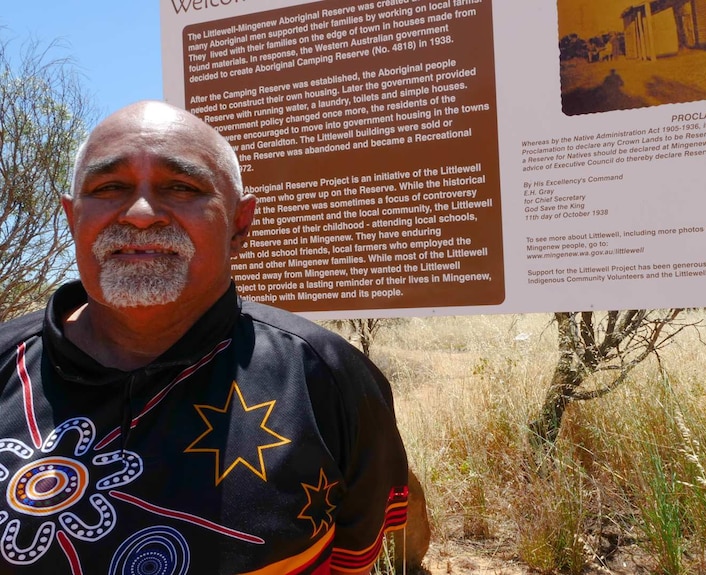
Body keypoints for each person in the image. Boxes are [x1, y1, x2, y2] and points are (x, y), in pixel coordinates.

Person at [0, 101, 408, 574]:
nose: (140, 213)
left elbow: (352, 560)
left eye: (182, 187)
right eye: (109, 186)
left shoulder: (328, 377)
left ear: (240, 223)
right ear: (72, 218)